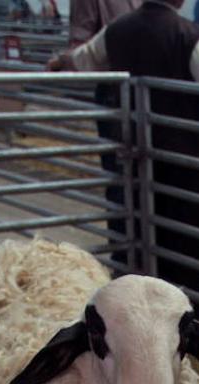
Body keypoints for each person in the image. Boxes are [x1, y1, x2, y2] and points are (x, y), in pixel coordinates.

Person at [49, 0, 199, 317]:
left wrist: (59, 62)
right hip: (183, 145)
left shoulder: (118, 28)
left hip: (133, 140)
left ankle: (141, 292)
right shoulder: (187, 33)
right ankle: (187, 299)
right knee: (187, 220)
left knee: (140, 214)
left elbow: (83, 59)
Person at [67, 0, 139, 268]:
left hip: (148, 93)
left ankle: (145, 252)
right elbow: (80, 46)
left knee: (149, 176)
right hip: (115, 92)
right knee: (120, 177)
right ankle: (124, 256)